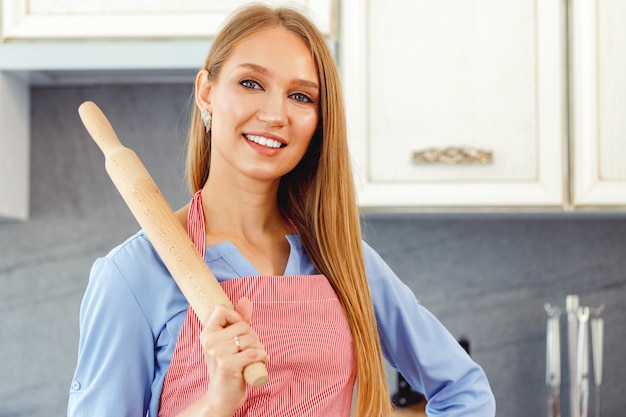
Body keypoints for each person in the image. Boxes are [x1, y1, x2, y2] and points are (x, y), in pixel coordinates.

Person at [67, 3, 496, 417]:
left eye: (300, 96)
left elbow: (464, 391)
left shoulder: (344, 260)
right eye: (251, 83)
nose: (275, 114)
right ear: (207, 92)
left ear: (319, 121)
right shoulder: (134, 274)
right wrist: (215, 405)